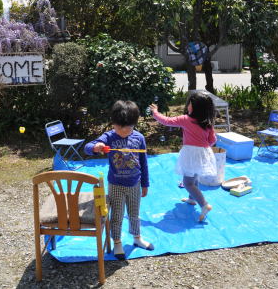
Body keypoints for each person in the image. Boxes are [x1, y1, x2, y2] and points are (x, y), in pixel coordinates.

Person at [84, 100, 154, 260]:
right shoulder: (108, 136)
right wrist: (96, 147)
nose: (122, 130)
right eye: (118, 127)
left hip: (135, 184)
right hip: (115, 185)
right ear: (113, 124)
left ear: (134, 123)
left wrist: (145, 183)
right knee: (116, 215)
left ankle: (137, 239)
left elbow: (143, 162)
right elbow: (88, 147)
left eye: (127, 127)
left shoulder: (139, 138)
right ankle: (117, 242)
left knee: (134, 214)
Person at [150, 91, 216, 222]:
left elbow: (166, 121)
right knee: (195, 176)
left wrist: (155, 112)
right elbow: (212, 140)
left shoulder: (185, 120)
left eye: (190, 104)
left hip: (190, 153)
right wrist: (202, 147)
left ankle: (204, 204)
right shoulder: (207, 123)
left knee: (187, 182)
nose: (188, 106)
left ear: (195, 107)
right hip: (203, 152)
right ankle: (192, 199)